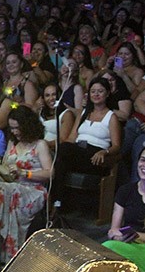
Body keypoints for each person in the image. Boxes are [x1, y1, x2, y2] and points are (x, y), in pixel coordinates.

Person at [0, 106, 51, 268]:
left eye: (17, 128)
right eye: (12, 128)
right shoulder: (12, 142)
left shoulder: (40, 145)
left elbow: (49, 173)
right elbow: (5, 165)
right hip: (10, 186)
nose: (15, 131)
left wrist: (25, 173)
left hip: (32, 190)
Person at [50, 77, 121, 211]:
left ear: (107, 93)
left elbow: (116, 146)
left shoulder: (111, 117)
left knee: (63, 152)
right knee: (60, 157)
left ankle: (56, 201)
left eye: (100, 91)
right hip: (77, 151)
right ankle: (57, 202)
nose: (96, 94)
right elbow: (72, 138)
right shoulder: (83, 113)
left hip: (96, 156)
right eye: (93, 91)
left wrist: (104, 152)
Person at [38, 82, 75, 149]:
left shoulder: (67, 114)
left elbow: (62, 140)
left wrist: (44, 144)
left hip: (54, 150)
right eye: (47, 95)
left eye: (54, 94)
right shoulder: (41, 112)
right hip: (39, 147)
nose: (51, 98)